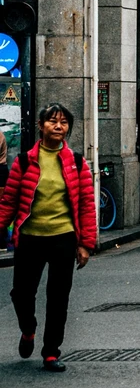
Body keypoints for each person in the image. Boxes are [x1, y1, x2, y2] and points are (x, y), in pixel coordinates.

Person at [0, 103, 96, 371]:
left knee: (58, 297)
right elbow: (9, 202)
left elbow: (87, 204)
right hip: (30, 237)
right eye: (52, 121)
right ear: (41, 126)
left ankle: (51, 351)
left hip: (63, 238)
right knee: (22, 293)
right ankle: (28, 330)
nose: (58, 126)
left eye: (64, 122)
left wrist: (85, 243)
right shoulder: (24, 161)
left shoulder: (77, 162)